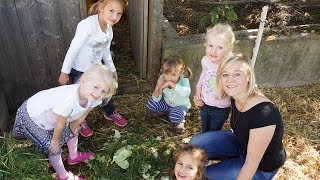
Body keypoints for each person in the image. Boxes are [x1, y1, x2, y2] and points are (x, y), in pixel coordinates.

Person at [189, 53, 286, 180]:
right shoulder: (234, 96)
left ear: (248, 77)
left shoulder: (264, 114)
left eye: (237, 74)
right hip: (241, 144)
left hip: (260, 168)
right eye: (225, 74)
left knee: (202, 176)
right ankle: (228, 162)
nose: (230, 80)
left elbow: (251, 164)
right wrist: (199, 97)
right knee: (196, 144)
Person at [13, 64, 118, 180]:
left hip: (53, 117)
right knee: (53, 148)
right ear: (83, 80)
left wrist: (74, 127)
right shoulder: (68, 100)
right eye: (96, 87)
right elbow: (60, 123)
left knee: (74, 131)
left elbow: (83, 115)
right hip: (32, 115)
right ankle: (64, 176)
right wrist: (55, 140)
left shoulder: (93, 98)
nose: (99, 93)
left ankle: (73, 156)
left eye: (104, 91)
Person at [57, 0, 128, 137]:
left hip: (97, 70)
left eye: (119, 14)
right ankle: (80, 119)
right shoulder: (88, 25)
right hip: (80, 70)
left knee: (105, 90)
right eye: (111, 11)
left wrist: (112, 69)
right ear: (101, 7)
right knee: (82, 97)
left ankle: (109, 111)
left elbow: (106, 51)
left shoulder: (108, 28)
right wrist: (64, 72)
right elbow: (73, 50)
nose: (115, 17)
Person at [193, 23, 235, 132]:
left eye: (220, 47)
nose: (213, 51)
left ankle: (210, 147)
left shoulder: (230, 64)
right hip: (205, 103)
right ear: (205, 45)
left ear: (229, 49)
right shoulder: (205, 60)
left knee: (214, 131)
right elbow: (203, 75)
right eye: (210, 46)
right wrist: (198, 89)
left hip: (221, 107)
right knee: (205, 128)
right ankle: (204, 145)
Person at [146, 55, 193, 133]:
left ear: (181, 72)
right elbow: (156, 98)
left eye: (173, 75)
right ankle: (166, 111)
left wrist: (171, 84)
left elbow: (186, 93)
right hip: (167, 103)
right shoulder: (162, 78)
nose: (169, 78)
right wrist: (158, 86)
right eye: (166, 74)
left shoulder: (184, 80)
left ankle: (180, 122)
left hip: (180, 105)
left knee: (175, 116)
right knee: (151, 104)